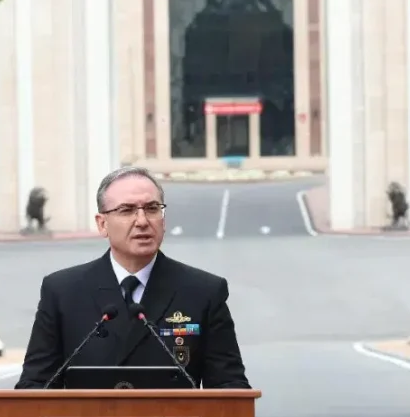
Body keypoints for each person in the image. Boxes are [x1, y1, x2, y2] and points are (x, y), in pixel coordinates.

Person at [15, 166, 251, 389]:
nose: (142, 221)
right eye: (126, 210)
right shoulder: (62, 292)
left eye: (152, 209)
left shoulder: (204, 292)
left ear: (163, 219)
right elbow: (34, 387)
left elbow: (230, 389)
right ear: (102, 224)